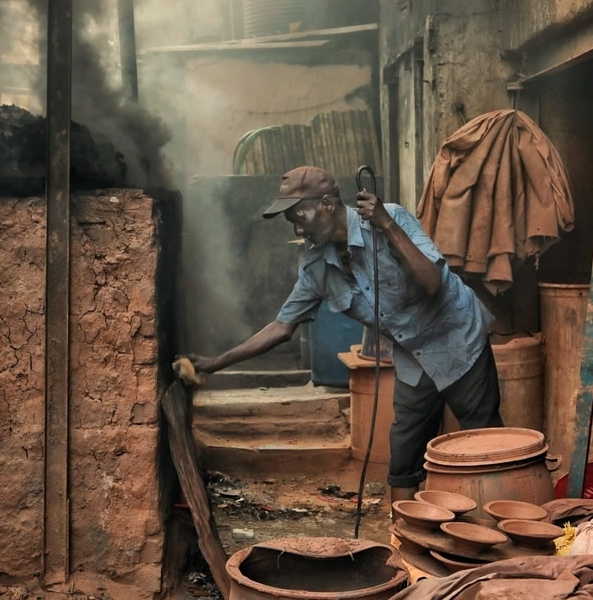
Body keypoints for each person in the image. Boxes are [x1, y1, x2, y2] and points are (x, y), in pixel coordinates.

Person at [186, 165, 503, 503]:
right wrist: (215, 363)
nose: (296, 227)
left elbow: (431, 282)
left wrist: (388, 225)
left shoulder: (390, 218)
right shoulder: (316, 267)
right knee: (403, 455)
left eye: (299, 216)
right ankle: (402, 538)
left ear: (326, 204)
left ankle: (506, 522)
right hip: (414, 354)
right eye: (290, 220)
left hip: (457, 336)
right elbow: (281, 327)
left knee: (485, 438)